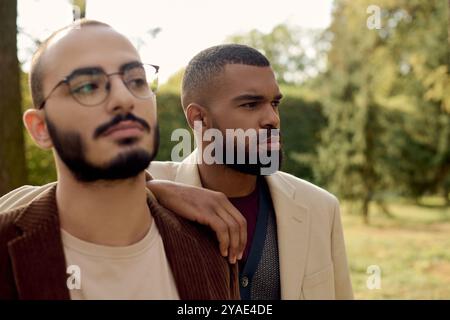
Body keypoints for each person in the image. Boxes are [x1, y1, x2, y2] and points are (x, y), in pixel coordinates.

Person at [0, 20, 239, 300]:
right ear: (41, 128)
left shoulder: (210, 246)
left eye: (136, 81)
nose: (124, 98)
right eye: (88, 86)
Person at [148, 44, 354, 300]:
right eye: (250, 104)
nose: (272, 118)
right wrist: (155, 190)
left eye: (274, 103)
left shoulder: (321, 208)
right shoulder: (142, 193)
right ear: (199, 119)